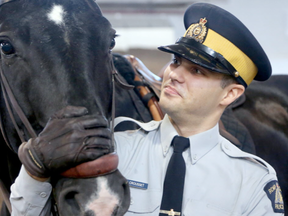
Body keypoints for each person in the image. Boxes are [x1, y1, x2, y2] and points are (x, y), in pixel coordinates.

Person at [10, 2, 284, 216]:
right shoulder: (115, 148)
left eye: (197, 70)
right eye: (176, 61)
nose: (173, 73)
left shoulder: (252, 181)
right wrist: (34, 171)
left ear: (231, 93)